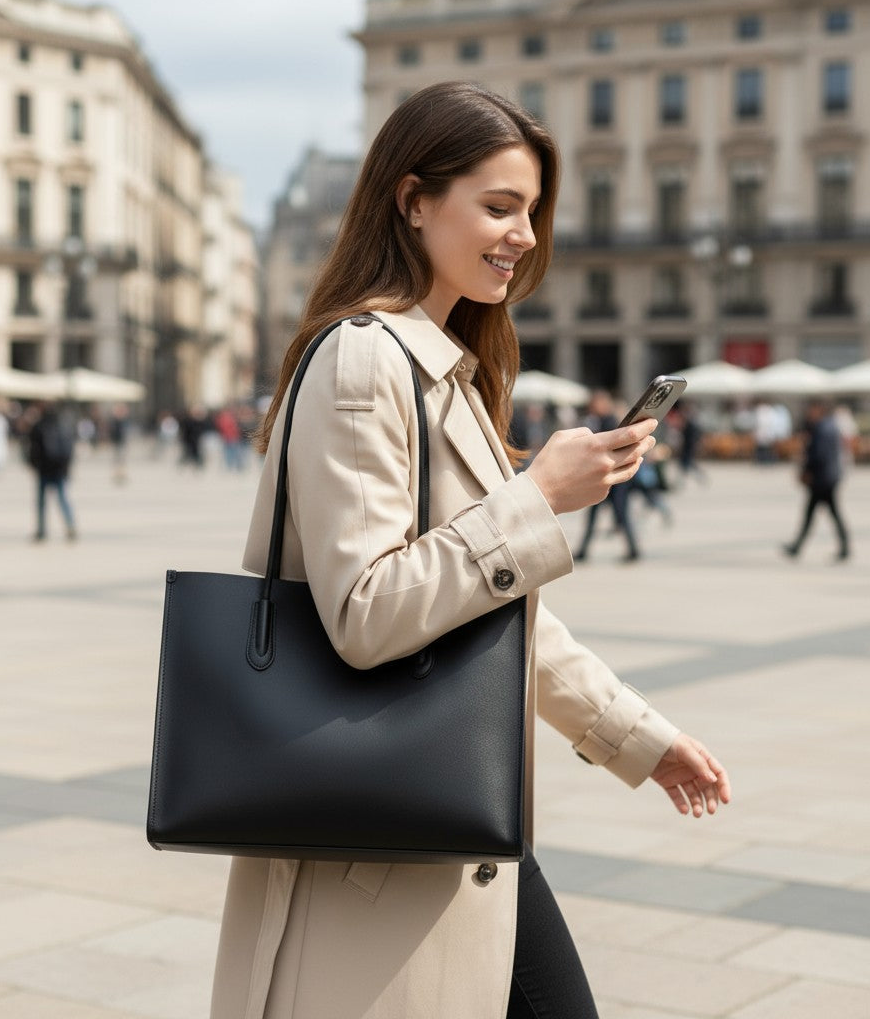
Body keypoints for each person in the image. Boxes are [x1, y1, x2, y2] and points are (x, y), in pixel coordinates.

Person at [211, 82, 730, 1019]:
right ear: (413, 202)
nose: (525, 235)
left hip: (451, 815)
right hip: (382, 830)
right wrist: (537, 497)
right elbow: (367, 614)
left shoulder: (447, 369)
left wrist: (636, 738)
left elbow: (501, 615)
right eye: (499, 207)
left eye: (531, 212)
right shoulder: (366, 357)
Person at [572, 389, 641, 563]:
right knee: (598, 516)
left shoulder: (610, 421)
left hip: (614, 481)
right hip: (605, 479)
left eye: (595, 403)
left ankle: (632, 550)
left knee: (620, 515)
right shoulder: (601, 420)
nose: (592, 406)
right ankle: (584, 550)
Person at [783, 399, 850, 562]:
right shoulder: (830, 426)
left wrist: (806, 471)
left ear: (819, 409)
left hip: (822, 479)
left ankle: (798, 547)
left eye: (811, 409)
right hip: (829, 477)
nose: (809, 413)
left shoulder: (822, 428)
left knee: (816, 514)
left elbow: (818, 455)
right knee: (827, 514)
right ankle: (843, 547)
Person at [28, 401, 78, 541]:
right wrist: (68, 466)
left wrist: (33, 464)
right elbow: (69, 447)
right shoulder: (63, 425)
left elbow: (32, 449)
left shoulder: (38, 425)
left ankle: (41, 530)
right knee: (62, 499)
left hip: (44, 468)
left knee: (41, 502)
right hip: (59, 468)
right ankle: (70, 525)